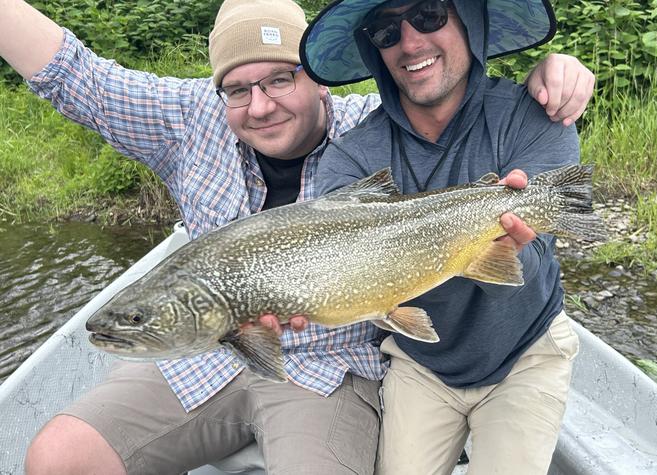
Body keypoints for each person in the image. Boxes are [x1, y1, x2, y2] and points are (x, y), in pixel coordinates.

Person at [0, 0, 593, 473]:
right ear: (220, 93)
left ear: (321, 81)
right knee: (57, 456)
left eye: (282, 79)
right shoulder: (193, 120)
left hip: (332, 371)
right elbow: (75, 75)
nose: (260, 105)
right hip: (204, 360)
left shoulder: (371, 125)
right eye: (238, 89)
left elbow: (442, 85)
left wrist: (560, 71)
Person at [303, 0, 584, 473]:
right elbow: (350, 277)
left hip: (527, 349)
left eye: (429, 14)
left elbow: (528, 267)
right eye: (386, 31)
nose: (410, 42)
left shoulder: (534, 117)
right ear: (374, 50)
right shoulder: (349, 161)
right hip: (420, 361)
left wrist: (510, 246)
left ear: (468, 20)